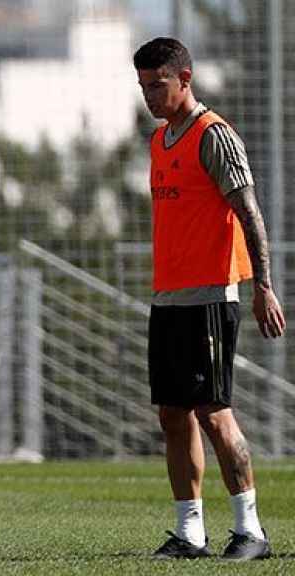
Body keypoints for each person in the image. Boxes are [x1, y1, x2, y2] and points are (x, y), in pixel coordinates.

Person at [134, 37, 285, 561]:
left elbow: (250, 212)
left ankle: (251, 531)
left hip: (210, 299)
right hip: (168, 300)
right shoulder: (160, 141)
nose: (151, 96)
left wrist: (262, 284)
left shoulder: (213, 136)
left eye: (159, 85)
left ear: (185, 79)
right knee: (172, 415)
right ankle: (190, 532)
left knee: (214, 412)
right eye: (144, 87)